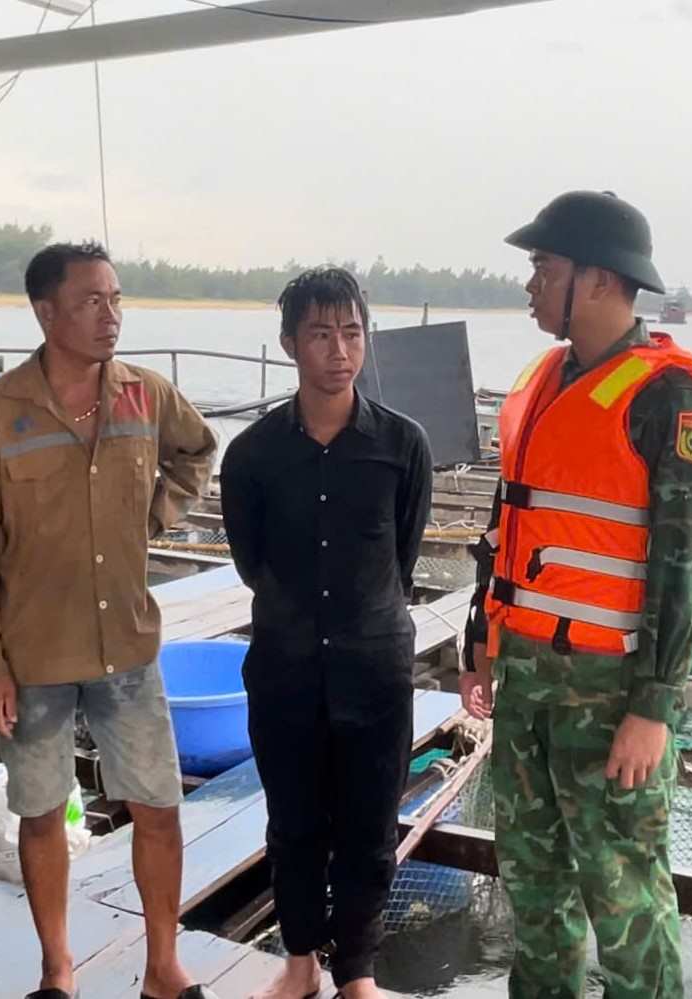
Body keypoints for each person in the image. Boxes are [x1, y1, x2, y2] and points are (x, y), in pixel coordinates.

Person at [461, 191, 692, 998]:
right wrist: (482, 638)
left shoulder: (669, 399)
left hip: (610, 694)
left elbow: (688, 563)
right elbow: (511, 524)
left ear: (601, 280)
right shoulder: (545, 379)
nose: (531, 284)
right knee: (534, 889)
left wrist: (655, 706)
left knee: (624, 897)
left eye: (544, 267)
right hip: (529, 684)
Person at [0, 242, 220, 999]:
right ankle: (57, 968)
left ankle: (163, 967)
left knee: (158, 806)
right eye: (92, 300)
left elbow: (196, 450)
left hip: (127, 644)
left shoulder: (145, 394)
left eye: (117, 298)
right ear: (45, 311)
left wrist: (150, 515)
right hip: (30, 656)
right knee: (39, 813)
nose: (111, 316)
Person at [219, 267, 433, 999]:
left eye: (351, 332)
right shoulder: (250, 455)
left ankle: (358, 971)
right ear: (289, 344)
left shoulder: (401, 445)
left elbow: (400, 556)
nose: (339, 350)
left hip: (374, 665)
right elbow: (252, 561)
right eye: (320, 333)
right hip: (284, 665)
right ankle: (300, 959)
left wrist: (359, 616)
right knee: (295, 821)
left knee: (371, 825)